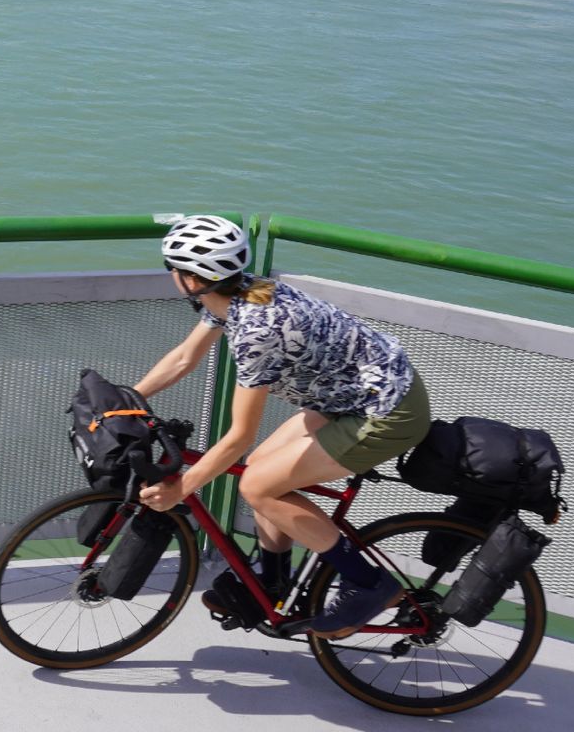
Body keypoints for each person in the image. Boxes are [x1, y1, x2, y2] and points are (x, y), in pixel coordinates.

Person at [131, 215, 432, 638]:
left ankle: (368, 583)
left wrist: (181, 489)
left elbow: (237, 436)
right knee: (261, 467)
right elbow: (185, 357)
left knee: (256, 485)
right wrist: (129, 400)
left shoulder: (256, 331)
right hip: (354, 392)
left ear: (194, 280)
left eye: (174, 269)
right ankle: (272, 580)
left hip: (385, 411)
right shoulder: (240, 292)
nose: (173, 277)